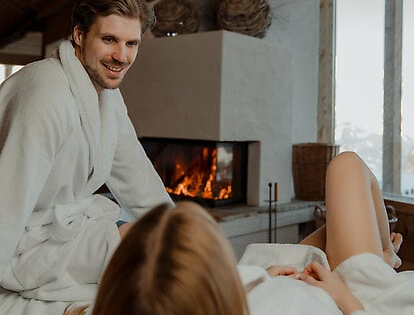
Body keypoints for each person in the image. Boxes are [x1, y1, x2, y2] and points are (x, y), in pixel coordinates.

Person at [0, 0, 173, 314]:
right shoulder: (45, 93)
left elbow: (138, 179)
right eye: (109, 40)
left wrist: (184, 237)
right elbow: (6, 205)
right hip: (25, 247)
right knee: (149, 257)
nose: (122, 56)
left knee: (162, 246)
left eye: (131, 43)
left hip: (64, 233)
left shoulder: (107, 96)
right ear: (79, 36)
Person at [67, 152, 413, 315]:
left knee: (338, 217)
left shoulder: (148, 303)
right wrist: (344, 297)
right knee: (346, 166)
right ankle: (384, 257)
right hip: (350, 294)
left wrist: (254, 280)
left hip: (288, 280)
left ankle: (381, 253)